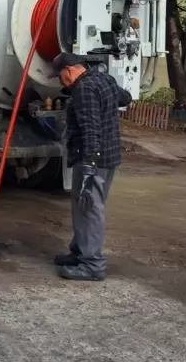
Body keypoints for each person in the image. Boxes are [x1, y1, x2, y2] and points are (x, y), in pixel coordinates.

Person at [47, 52, 131, 281]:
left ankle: (92, 265)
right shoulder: (104, 80)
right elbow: (126, 98)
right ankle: (79, 252)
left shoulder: (83, 90)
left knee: (89, 209)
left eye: (60, 76)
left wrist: (89, 168)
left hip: (93, 160)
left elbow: (90, 129)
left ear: (70, 70)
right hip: (108, 158)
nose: (60, 81)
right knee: (84, 207)